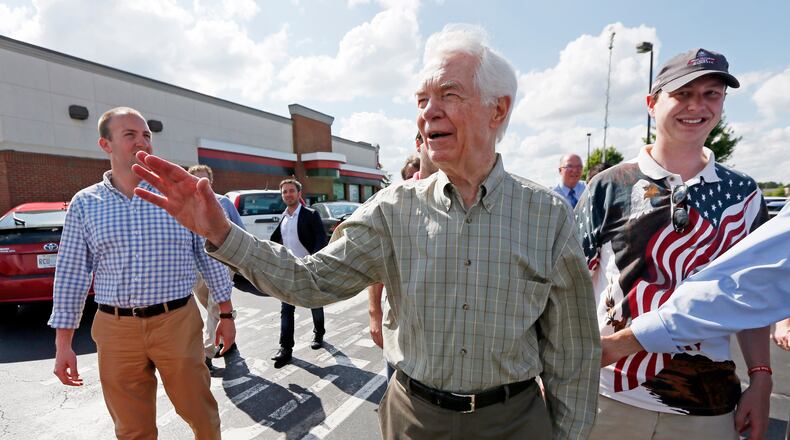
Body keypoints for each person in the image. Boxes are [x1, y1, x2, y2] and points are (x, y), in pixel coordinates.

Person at [132, 23, 600, 440]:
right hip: (415, 420)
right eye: (422, 101)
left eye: (449, 95)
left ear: (497, 111)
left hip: (513, 423)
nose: (428, 113)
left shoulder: (548, 216)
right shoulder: (393, 210)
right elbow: (309, 281)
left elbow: (574, 355)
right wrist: (223, 233)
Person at [576, 48, 771, 440]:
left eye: (711, 94)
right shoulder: (609, 185)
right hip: (608, 398)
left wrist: (761, 378)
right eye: (682, 94)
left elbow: (751, 298)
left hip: (708, 406)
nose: (696, 106)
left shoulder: (743, 195)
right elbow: (568, 286)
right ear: (652, 103)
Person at [49, 107, 236, 440]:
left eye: (147, 135)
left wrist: (226, 312)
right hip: (115, 329)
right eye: (130, 134)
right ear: (105, 145)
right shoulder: (85, 203)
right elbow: (72, 273)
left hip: (176, 322)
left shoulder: (179, 194)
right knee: (132, 429)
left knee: (200, 413)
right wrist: (63, 343)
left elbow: (208, 254)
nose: (143, 142)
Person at [600, 202, 789, 363]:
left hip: (704, 387)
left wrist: (760, 372)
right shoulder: (606, 185)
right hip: (614, 383)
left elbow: (756, 280)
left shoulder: (747, 192)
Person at [368, 131, 439, 381]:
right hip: (400, 322)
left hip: (439, 329)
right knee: (396, 387)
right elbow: (377, 265)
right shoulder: (394, 203)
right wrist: (374, 313)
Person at [188, 164, 245, 371]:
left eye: (204, 180)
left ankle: (207, 353)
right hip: (195, 267)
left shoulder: (224, 203)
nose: (200, 184)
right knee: (214, 309)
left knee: (215, 306)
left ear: (210, 182)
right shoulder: (185, 205)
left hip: (221, 264)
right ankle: (226, 335)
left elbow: (240, 231)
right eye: (195, 180)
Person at [269, 178, 329, 368]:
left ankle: (319, 333)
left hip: (308, 268)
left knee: (314, 303)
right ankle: (285, 349)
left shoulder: (310, 215)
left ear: (299, 193)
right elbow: (277, 241)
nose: (288, 194)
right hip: (288, 270)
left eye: (291, 191)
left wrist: (313, 260)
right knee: (286, 309)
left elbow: (321, 238)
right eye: (284, 192)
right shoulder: (283, 217)